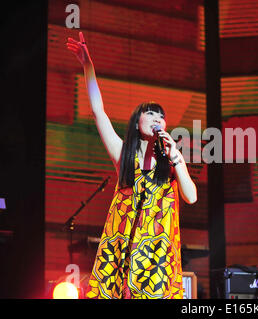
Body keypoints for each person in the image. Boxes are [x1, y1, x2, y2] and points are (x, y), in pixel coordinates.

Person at [66, 32, 197, 299]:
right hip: (123, 246)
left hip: (157, 254)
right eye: (150, 113)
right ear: (136, 122)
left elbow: (191, 197)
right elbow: (98, 111)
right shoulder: (124, 154)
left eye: (161, 115)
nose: (157, 118)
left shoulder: (170, 160)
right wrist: (87, 65)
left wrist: (177, 160)